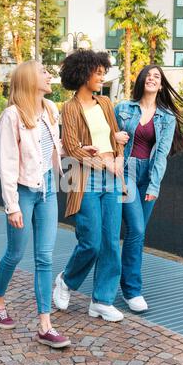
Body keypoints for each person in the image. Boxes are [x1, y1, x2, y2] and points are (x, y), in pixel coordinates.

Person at [0, 60, 71, 348]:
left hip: (48, 190)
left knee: (45, 258)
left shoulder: (50, 109)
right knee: (15, 253)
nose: (50, 75)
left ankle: (45, 325)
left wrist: (73, 151)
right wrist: (11, 205)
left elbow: (51, 147)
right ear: (28, 79)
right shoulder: (11, 116)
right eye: (44, 72)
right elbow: (7, 164)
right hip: (24, 193)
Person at [53, 49, 126, 322]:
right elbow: (72, 148)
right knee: (91, 242)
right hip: (84, 180)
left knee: (110, 242)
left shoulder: (106, 103)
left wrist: (118, 155)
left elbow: (114, 137)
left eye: (103, 73)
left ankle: (102, 301)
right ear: (83, 74)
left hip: (113, 177)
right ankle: (67, 280)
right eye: (98, 73)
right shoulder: (69, 109)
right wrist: (101, 161)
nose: (102, 78)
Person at [114, 64, 183, 312]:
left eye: (157, 76)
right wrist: (116, 138)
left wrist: (155, 184)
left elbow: (161, 154)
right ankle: (132, 290)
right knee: (135, 229)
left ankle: (126, 286)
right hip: (126, 173)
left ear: (161, 84)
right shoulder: (123, 108)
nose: (152, 78)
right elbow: (107, 138)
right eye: (149, 74)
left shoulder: (167, 117)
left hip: (149, 176)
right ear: (141, 80)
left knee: (138, 233)